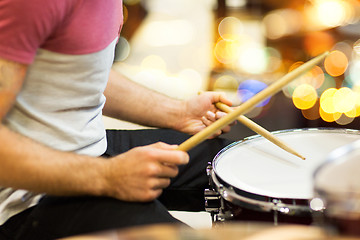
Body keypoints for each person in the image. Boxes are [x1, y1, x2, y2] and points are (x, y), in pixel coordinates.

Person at [0, 0, 234, 239]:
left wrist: (178, 111)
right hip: (25, 196)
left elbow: (79, 69)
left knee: (234, 161)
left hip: (90, 149)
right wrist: (108, 176)